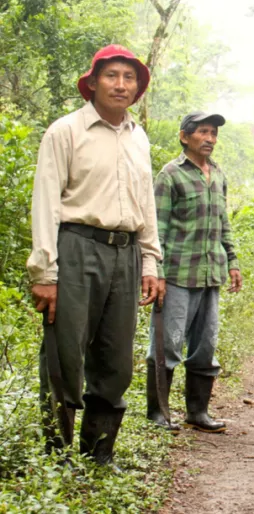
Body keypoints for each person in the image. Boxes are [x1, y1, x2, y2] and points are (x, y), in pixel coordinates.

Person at [27, 44, 161, 467]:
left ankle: (99, 453)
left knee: (116, 360)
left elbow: (146, 206)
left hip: (124, 255)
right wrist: (45, 271)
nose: (121, 85)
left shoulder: (139, 137)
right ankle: (57, 455)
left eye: (129, 78)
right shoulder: (65, 131)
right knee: (65, 355)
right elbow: (46, 201)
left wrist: (150, 261)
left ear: (137, 88)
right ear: (93, 82)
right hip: (76, 248)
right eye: (112, 76)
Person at [146, 111, 242, 433]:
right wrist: (155, 272)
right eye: (203, 132)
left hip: (210, 274)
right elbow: (156, 230)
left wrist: (233, 261)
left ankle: (197, 412)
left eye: (213, 133)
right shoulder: (169, 175)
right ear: (185, 136)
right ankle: (158, 413)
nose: (210, 139)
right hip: (175, 275)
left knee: (205, 346)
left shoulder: (217, 175)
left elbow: (223, 223)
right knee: (167, 346)